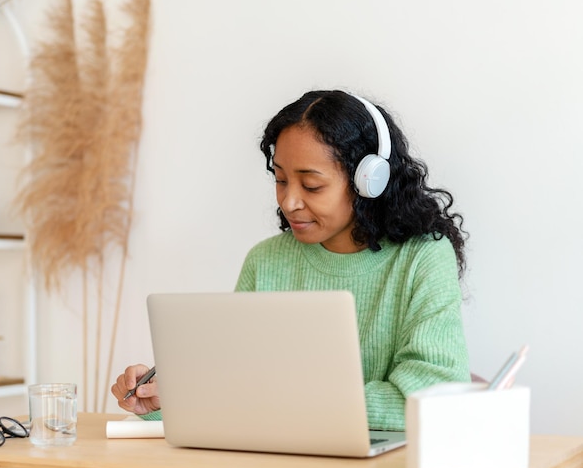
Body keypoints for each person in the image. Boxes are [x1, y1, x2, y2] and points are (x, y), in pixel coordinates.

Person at [111, 89, 470, 431]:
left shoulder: (422, 258)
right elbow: (231, 395)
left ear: (369, 182)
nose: (289, 201)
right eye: (280, 180)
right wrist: (163, 403)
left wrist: (283, 404)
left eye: (311, 186)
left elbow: (431, 398)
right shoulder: (266, 261)